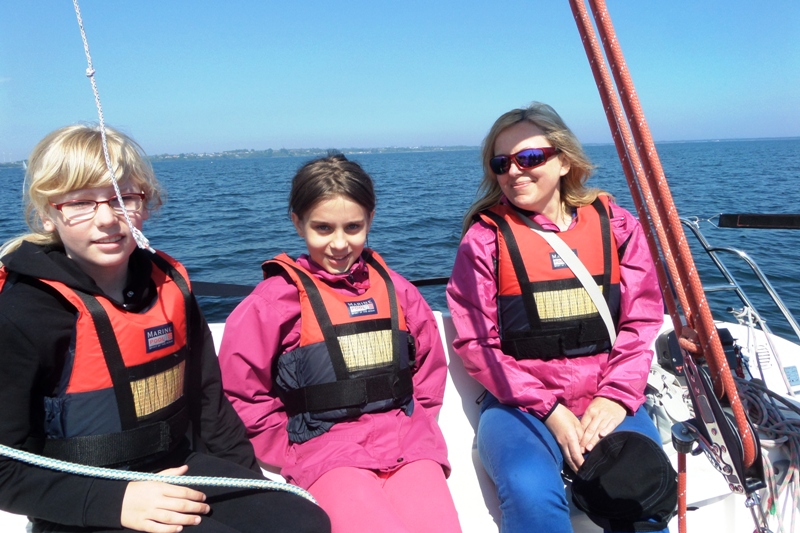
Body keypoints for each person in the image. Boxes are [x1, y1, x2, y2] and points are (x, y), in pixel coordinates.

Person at [0, 125, 331, 533]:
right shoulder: (23, 313)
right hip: (82, 501)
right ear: (49, 215)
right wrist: (115, 503)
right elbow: (5, 467)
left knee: (304, 522)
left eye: (123, 198)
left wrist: (251, 488)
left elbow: (209, 404)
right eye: (80, 203)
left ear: (146, 203)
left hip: (175, 468)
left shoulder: (169, 287)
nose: (107, 219)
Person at [446, 103, 674, 533]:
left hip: (608, 393)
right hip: (519, 404)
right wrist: (550, 410)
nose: (515, 171)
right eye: (501, 163)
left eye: (530, 158)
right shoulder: (484, 241)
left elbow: (642, 318)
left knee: (639, 490)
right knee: (529, 489)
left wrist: (615, 396)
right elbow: (477, 345)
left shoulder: (616, 225)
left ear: (564, 160)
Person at [218, 154, 462, 533]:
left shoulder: (399, 291)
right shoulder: (272, 302)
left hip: (408, 442)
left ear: (370, 220)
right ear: (298, 222)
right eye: (323, 228)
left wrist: (421, 423)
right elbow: (241, 390)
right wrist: (284, 447)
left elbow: (429, 366)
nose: (339, 243)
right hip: (324, 452)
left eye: (352, 227)